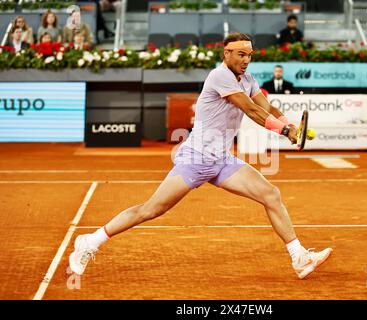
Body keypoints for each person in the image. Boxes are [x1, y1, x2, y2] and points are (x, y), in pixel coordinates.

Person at [69, 32, 333, 280]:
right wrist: (285, 130)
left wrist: (289, 126)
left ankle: (299, 257)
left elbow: (265, 106)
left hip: (222, 160)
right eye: (241, 54)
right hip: (196, 159)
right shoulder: (219, 77)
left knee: (271, 194)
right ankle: (90, 241)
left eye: (250, 55)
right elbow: (251, 111)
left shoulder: (249, 80)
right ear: (226, 53)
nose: (246, 60)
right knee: (150, 210)